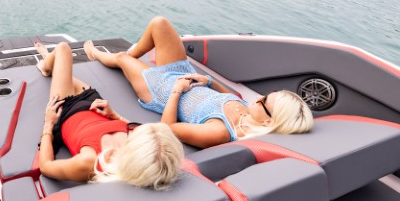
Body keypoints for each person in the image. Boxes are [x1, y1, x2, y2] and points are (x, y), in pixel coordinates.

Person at [83, 16, 314, 148]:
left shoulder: (220, 132)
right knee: (159, 24)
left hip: (162, 91)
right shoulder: (249, 115)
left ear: (268, 122)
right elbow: (235, 98)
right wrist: (208, 81)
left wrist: (176, 91)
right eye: (266, 95)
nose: (259, 98)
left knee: (122, 58)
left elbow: (168, 128)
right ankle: (128, 60)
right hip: (186, 77)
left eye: (264, 102)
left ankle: (100, 56)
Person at [35, 41, 183, 189]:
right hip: (93, 103)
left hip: (66, 109)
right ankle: (49, 63)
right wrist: (114, 115)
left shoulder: (89, 162)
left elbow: (46, 166)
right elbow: (135, 128)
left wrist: (48, 123)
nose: (141, 129)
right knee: (62, 70)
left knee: (63, 49)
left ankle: (46, 64)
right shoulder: (144, 140)